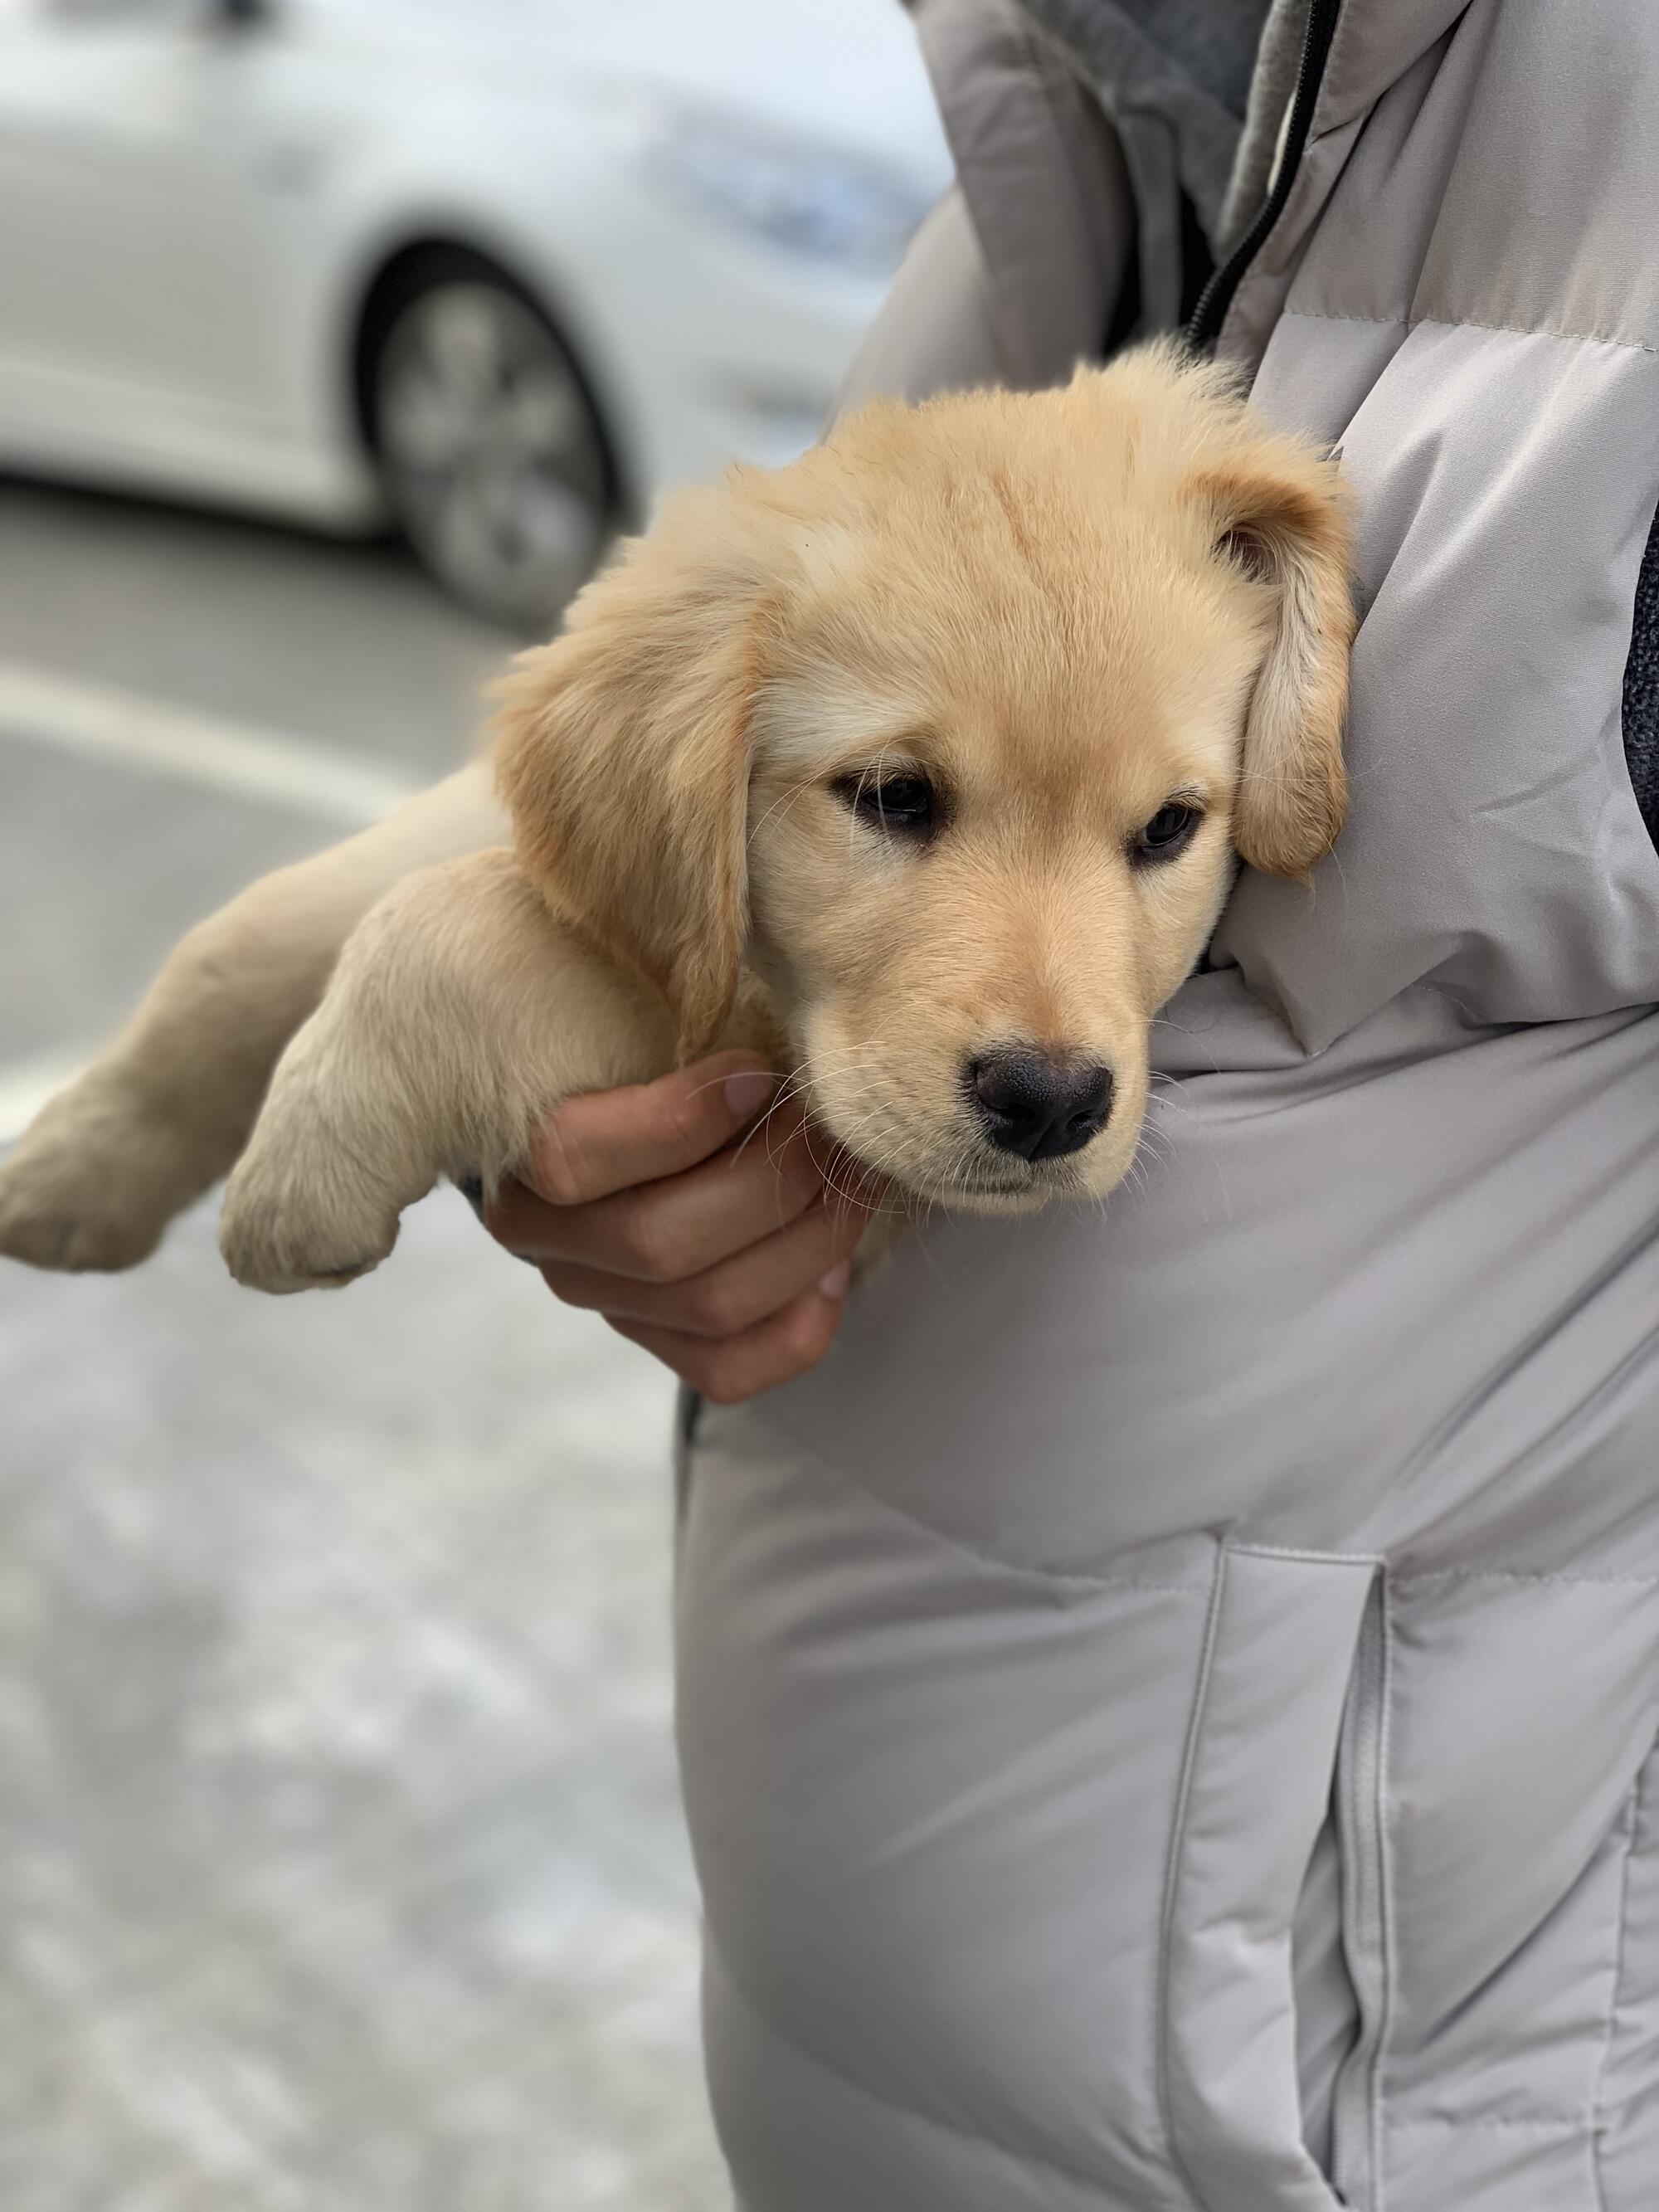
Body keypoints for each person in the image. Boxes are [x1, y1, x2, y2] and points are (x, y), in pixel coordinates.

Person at [475, 5, 1659, 2205]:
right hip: (867, 1955)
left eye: (1163, 836)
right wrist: (606, 1017)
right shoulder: (1064, 98)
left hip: (1385, 2089)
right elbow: (676, 789)